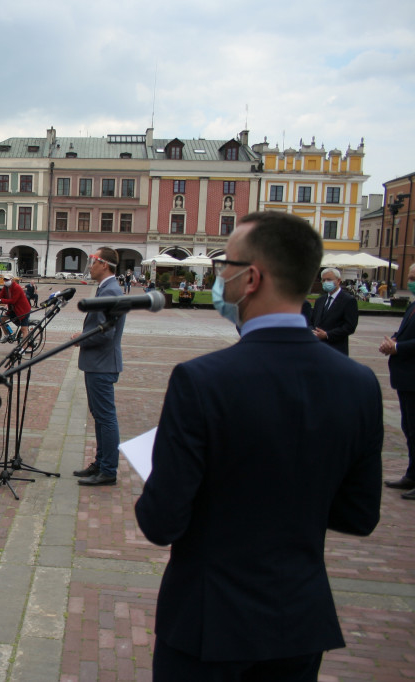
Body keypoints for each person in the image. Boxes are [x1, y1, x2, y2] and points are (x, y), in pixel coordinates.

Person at [135, 211, 382, 680]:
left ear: (252, 278)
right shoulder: (360, 383)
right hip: (300, 620)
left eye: (225, 264)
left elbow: (160, 521)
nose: (218, 276)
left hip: (210, 621)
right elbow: (358, 515)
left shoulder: (203, 381)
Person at [71, 247, 125, 486]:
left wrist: (81, 338)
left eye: (93, 261)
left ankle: (108, 469)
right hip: (98, 363)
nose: (90, 265)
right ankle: (101, 462)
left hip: (102, 363)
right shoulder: (107, 288)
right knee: (100, 416)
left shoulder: (110, 290)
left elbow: (105, 334)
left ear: (105, 264)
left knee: (105, 417)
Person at [380, 263, 415, 500]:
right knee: (409, 429)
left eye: (413, 277)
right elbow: (405, 333)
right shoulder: (412, 306)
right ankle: (412, 474)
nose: (409, 281)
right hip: (406, 379)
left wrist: (397, 347)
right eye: (410, 277)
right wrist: (394, 339)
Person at [311, 267, 359, 355]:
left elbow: (350, 326)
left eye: (329, 279)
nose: (325, 282)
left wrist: (327, 335)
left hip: (336, 349)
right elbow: (312, 321)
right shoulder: (320, 301)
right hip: (317, 349)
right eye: (323, 280)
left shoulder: (348, 300)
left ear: (338, 281)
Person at [0, 275, 32, 343]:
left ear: (12, 280)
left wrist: (1, 300)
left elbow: (13, 300)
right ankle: (7, 335)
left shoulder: (17, 287)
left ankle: (23, 349)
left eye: (7, 280)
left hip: (22, 310)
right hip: (13, 309)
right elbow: (0, 295)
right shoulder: (6, 287)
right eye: (5, 280)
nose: (6, 281)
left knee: (23, 329)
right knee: (1, 319)